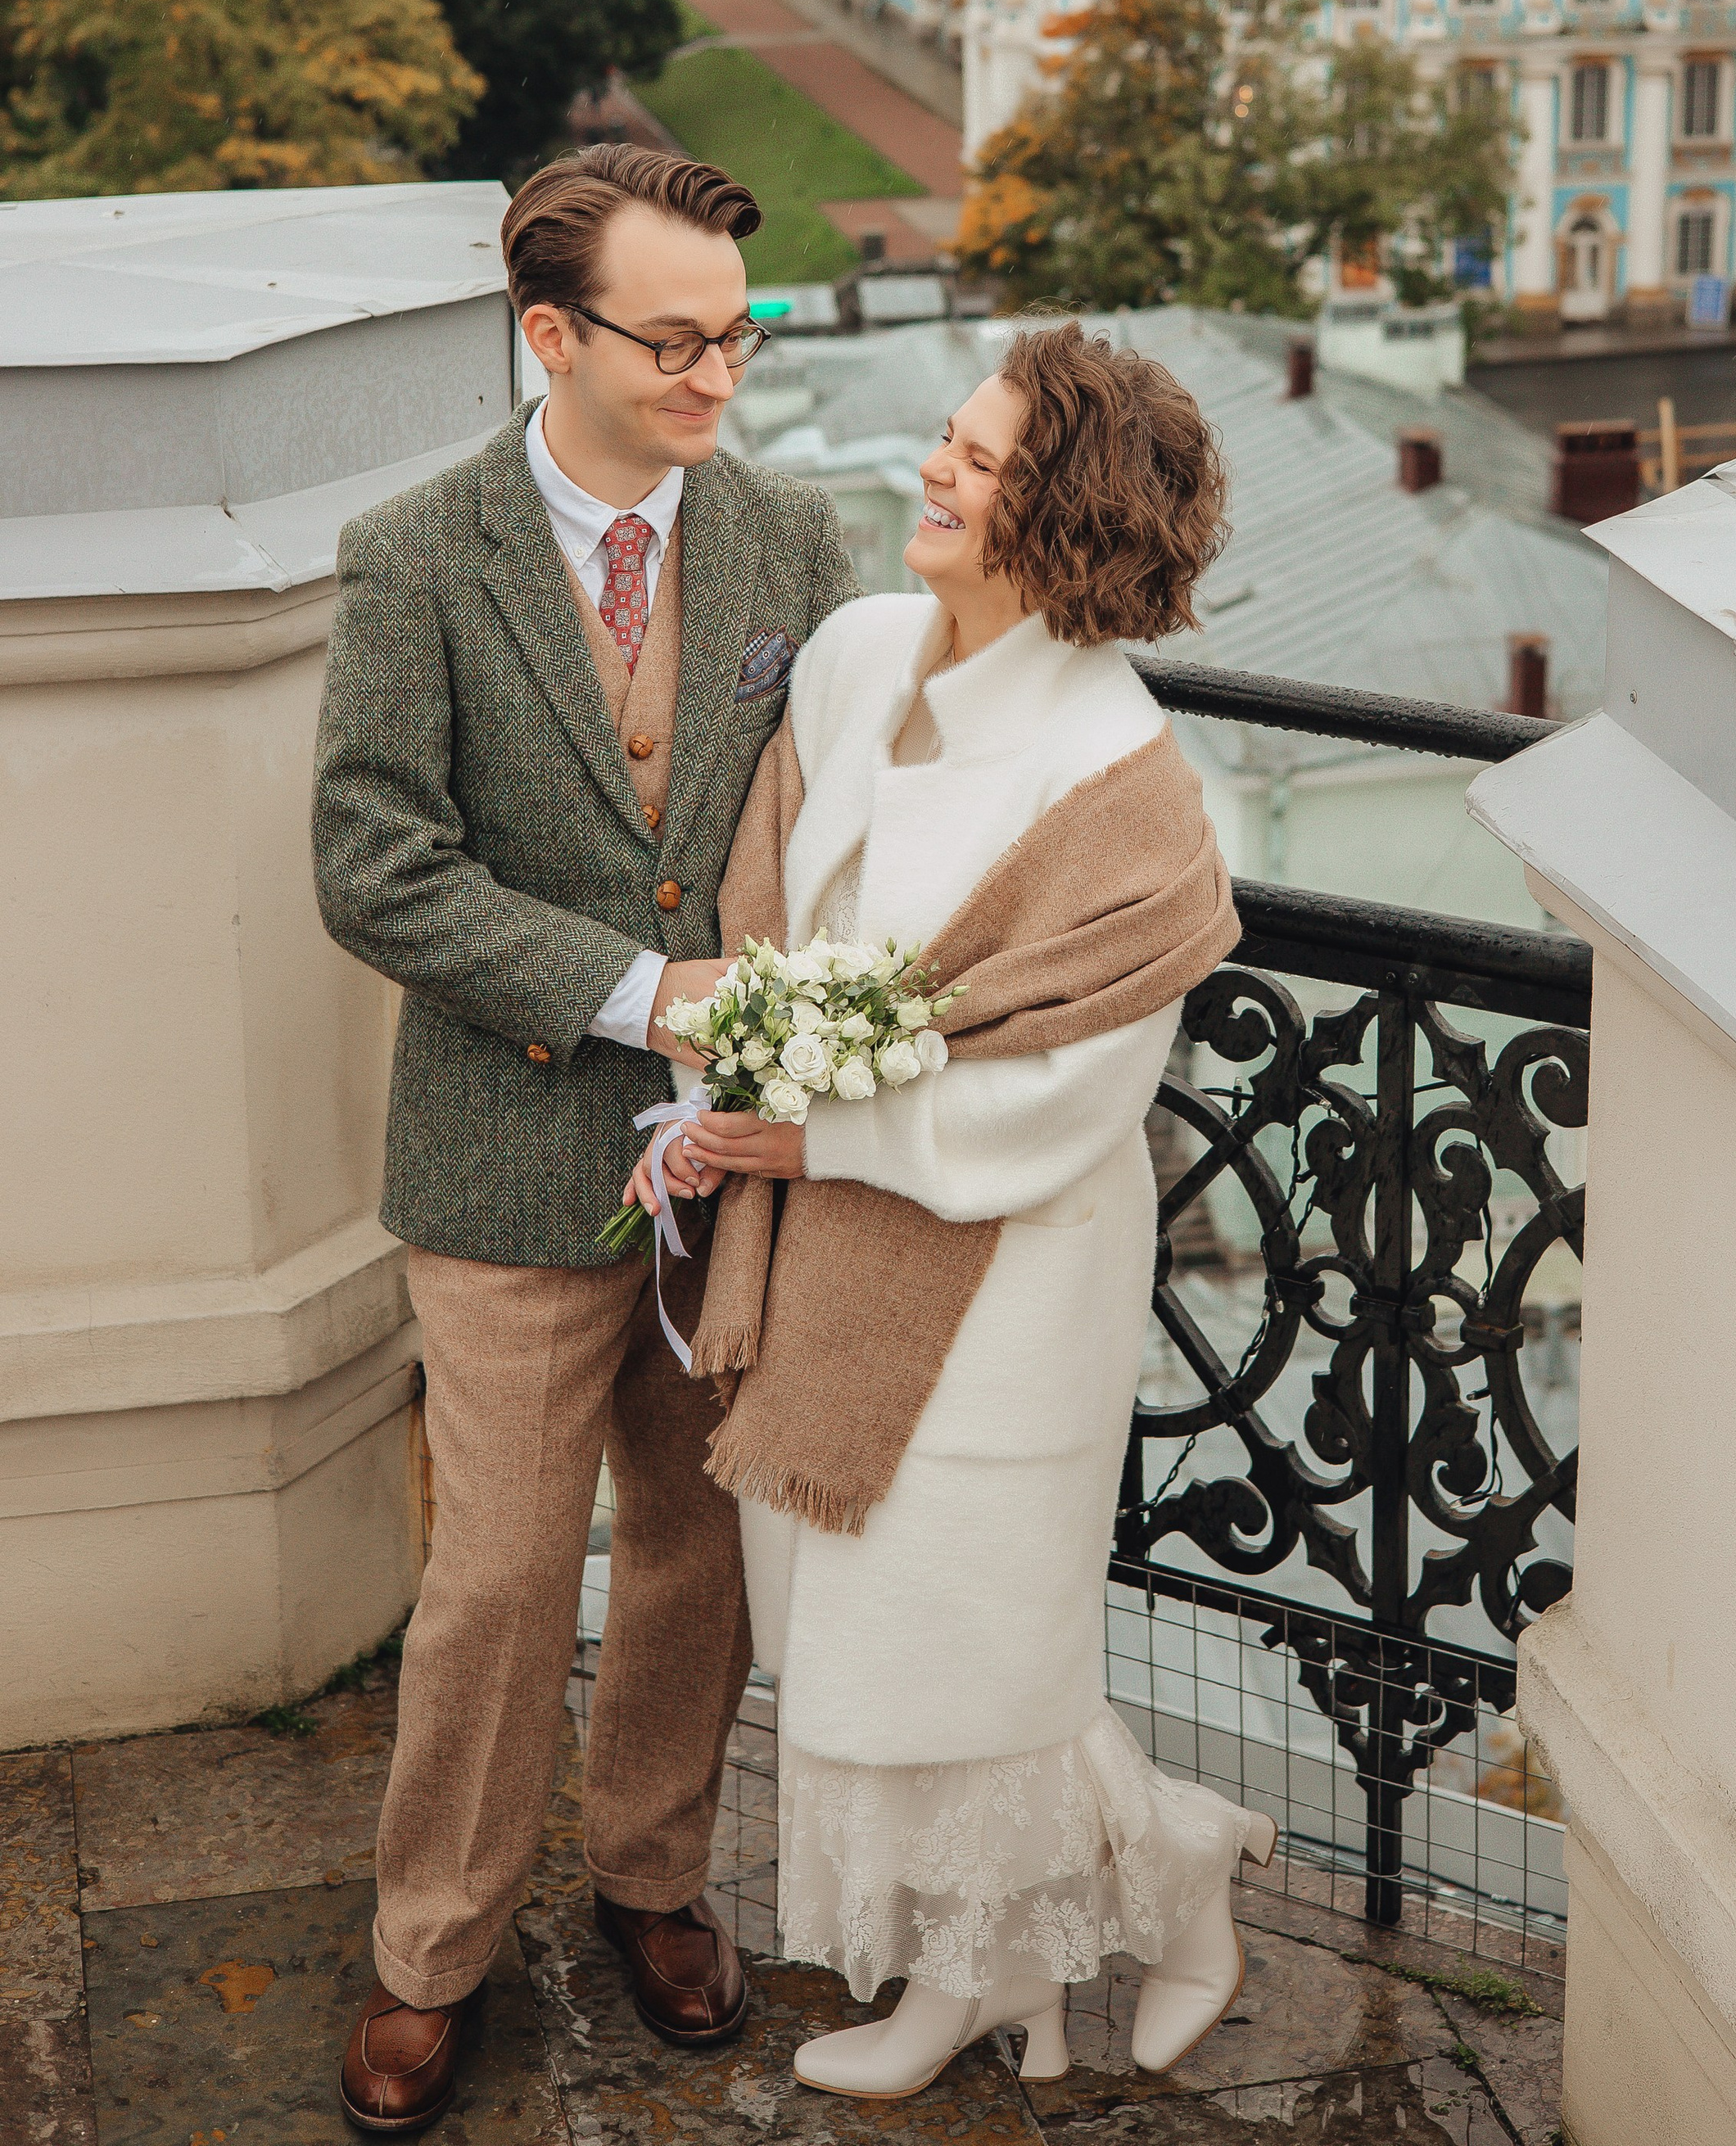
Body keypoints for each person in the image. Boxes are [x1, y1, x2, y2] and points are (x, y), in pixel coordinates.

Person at [632, 321, 1277, 2102]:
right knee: (856, 1628)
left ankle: (1030, 1953)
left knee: (970, 1647)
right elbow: (774, 900)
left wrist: (813, 1143)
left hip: (1002, 1270)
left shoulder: (1122, 788)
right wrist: (741, 1088)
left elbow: (1074, 1096)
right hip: (825, 1247)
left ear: (1057, 516)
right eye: (947, 435)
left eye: (981, 461)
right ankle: (1031, 1950)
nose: (936, 469)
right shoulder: (853, 658)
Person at [312, 143, 857, 2137]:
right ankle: (427, 1954)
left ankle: (653, 1880)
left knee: (699, 1544)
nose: (720, 372)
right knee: (502, 1576)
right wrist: (649, 995)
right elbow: (374, 870)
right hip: (504, 1155)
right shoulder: (413, 555)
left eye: (740, 331)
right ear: (552, 334)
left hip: (734, 1174)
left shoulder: (797, 545)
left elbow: (849, 815)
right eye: (677, 337)